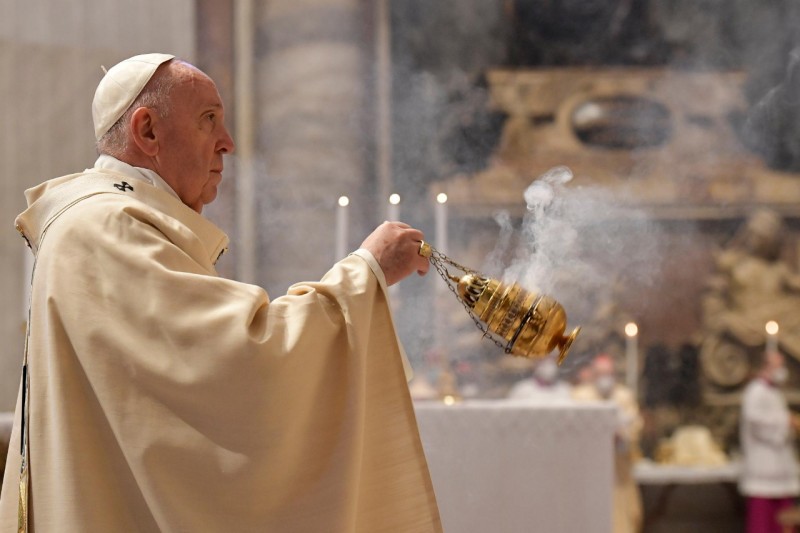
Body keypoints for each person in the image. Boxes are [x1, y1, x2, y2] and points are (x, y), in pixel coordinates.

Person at [0, 53, 442, 532]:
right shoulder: (105, 227)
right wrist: (365, 271)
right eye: (208, 119)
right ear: (147, 132)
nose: (227, 142)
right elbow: (244, 364)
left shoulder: (107, 221)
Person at [572, 353, 643, 533]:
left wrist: (621, 435)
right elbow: (572, 431)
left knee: (621, 518)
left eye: (608, 374)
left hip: (618, 471)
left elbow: (634, 426)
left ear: (614, 375)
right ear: (592, 374)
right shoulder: (580, 396)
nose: (604, 378)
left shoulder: (624, 396)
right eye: (600, 374)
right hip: (588, 470)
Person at [739, 350, 800, 533]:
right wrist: (786, 421)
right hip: (763, 464)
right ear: (765, 366)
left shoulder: (775, 392)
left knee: (783, 523)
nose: (782, 369)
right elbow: (755, 420)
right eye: (778, 365)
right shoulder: (755, 391)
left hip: (781, 465)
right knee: (762, 524)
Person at [506, 354, 571, 402]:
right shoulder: (521, 390)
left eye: (553, 359)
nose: (549, 363)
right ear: (536, 362)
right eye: (544, 359)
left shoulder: (565, 390)